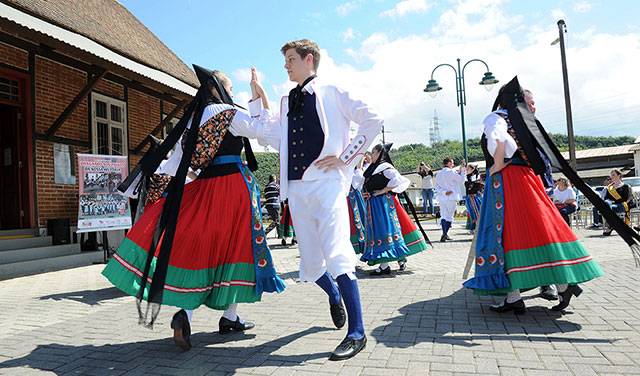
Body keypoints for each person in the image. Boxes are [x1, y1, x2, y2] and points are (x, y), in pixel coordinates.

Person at [102, 67, 286, 350]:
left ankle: (188, 315)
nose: (233, 93)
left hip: (203, 188)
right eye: (231, 89)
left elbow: (177, 162)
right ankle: (229, 316)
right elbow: (267, 134)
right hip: (234, 188)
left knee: (203, 251)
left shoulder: (192, 119)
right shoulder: (227, 112)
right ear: (218, 89)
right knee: (237, 249)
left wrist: (160, 190)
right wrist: (260, 96)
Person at [249, 39, 382, 360]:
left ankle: (357, 332)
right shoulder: (287, 101)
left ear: (309, 59)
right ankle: (334, 294)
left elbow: (373, 119)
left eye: (290, 59)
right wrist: (258, 94)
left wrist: (346, 156)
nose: (286, 65)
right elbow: (265, 131)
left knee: (337, 255)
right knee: (309, 264)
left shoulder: (332, 90)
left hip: (327, 185)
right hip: (296, 189)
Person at [463, 82, 603, 314]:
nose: (533, 108)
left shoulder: (497, 117)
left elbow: (500, 139)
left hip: (506, 181)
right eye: (530, 103)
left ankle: (515, 296)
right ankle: (559, 285)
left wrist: (497, 164)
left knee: (506, 234)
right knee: (538, 230)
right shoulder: (519, 121)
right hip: (528, 179)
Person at [360, 143, 428, 274]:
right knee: (379, 231)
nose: (371, 155)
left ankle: (385, 265)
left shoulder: (384, 167)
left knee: (384, 230)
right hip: (374, 203)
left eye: (373, 153)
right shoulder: (373, 168)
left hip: (382, 203)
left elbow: (398, 179)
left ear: (380, 153)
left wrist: (382, 191)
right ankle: (387, 264)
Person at [434, 157, 466, 242]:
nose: (453, 164)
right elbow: (461, 180)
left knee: (444, 215)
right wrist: (463, 170)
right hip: (451, 196)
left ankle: (445, 233)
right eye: (452, 162)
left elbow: (437, 187)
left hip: (442, 197)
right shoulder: (451, 172)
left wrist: (444, 192)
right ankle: (445, 233)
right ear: (448, 163)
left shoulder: (439, 174)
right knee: (449, 216)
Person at [602, 169, 633, 236]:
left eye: (613, 175)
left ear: (619, 176)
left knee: (608, 207)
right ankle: (611, 225)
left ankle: (610, 226)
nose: (612, 177)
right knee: (607, 204)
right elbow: (606, 198)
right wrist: (610, 201)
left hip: (621, 205)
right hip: (611, 205)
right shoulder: (609, 187)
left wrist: (614, 201)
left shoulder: (625, 186)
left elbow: (624, 199)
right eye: (611, 175)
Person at [464, 164, 483, 234]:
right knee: (471, 213)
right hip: (469, 197)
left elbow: (476, 188)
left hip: (475, 197)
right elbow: (467, 188)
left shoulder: (476, 177)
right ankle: (473, 228)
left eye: (468, 169)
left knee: (477, 212)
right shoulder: (467, 177)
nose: (466, 170)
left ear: (472, 170)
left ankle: (478, 228)